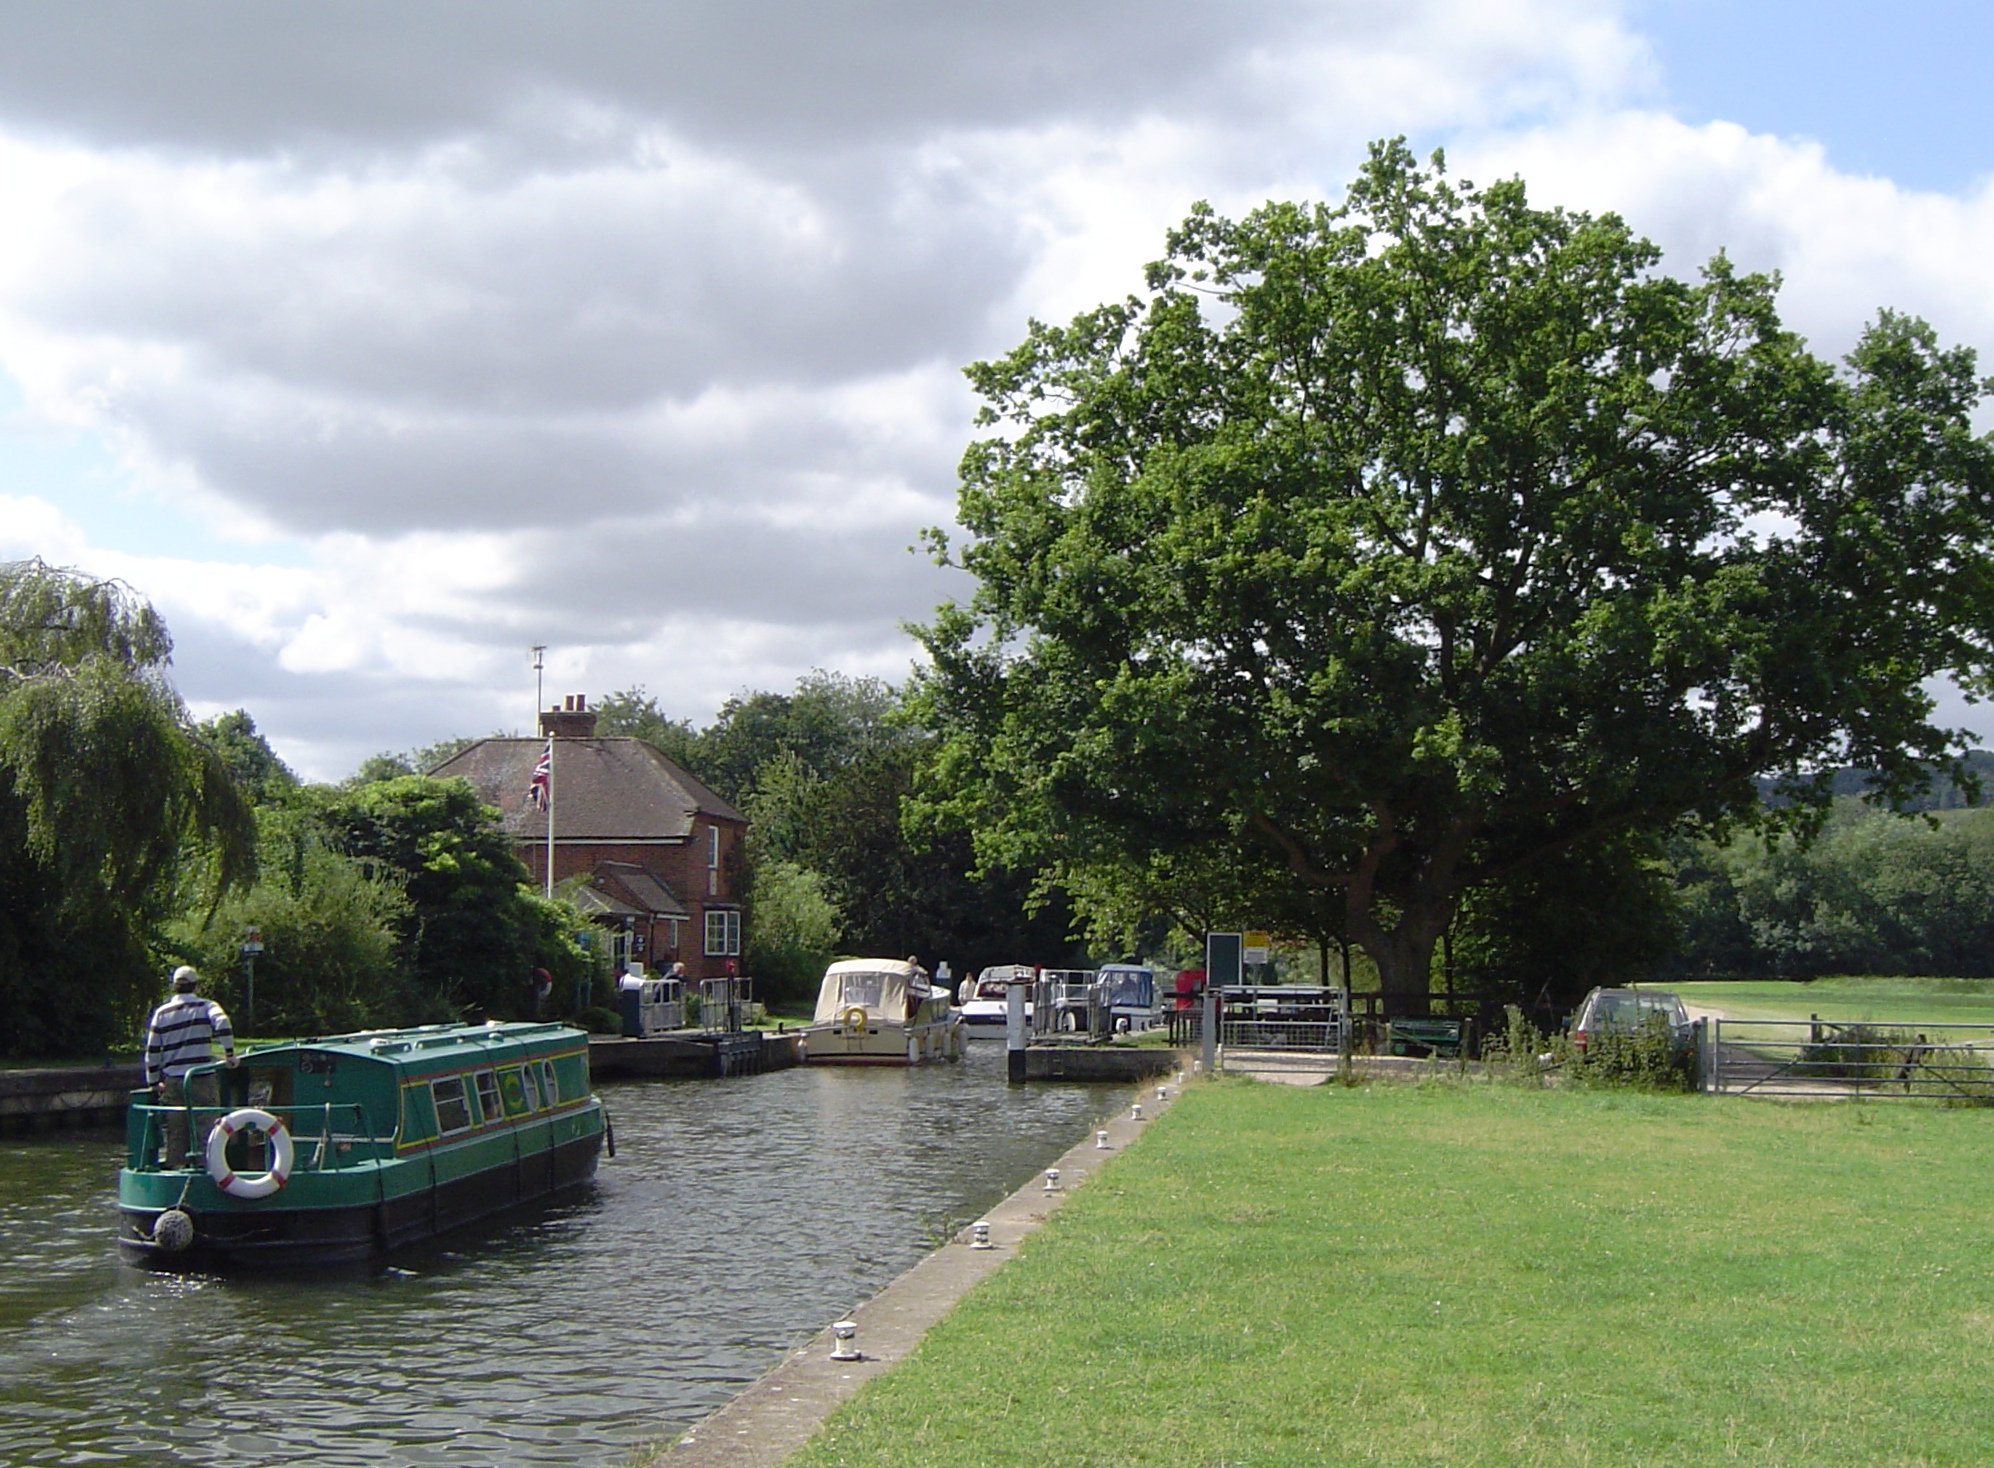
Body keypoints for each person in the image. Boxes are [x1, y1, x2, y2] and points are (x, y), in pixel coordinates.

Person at [144, 965, 238, 1168]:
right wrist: (229, 1053)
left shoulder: (161, 1013)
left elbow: (152, 1052)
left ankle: (175, 1172)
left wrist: (153, 1082)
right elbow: (222, 1022)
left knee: (176, 1132)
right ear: (196, 986)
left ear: (174, 987)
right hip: (201, 1077)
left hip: (173, 1080)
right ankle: (207, 1170)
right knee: (207, 1128)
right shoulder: (206, 1006)